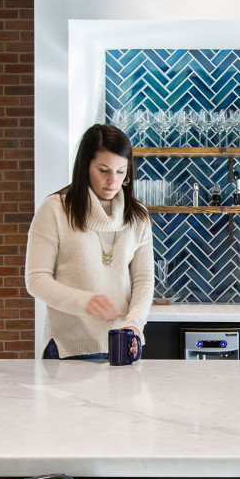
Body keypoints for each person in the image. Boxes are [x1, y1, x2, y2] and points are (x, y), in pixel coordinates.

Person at [25, 123, 153, 360]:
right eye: (103, 170)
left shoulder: (138, 216)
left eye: (120, 171)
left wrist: (134, 325)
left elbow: (143, 281)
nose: (112, 181)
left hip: (124, 345)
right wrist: (84, 302)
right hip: (68, 348)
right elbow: (36, 279)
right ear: (85, 167)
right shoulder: (55, 210)